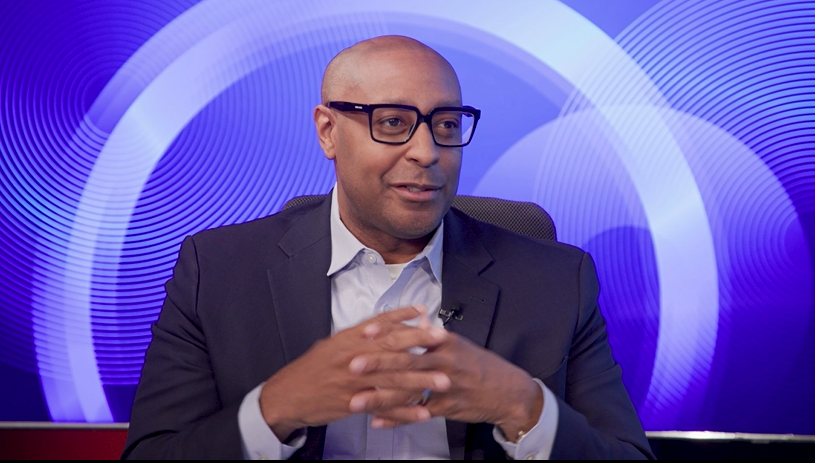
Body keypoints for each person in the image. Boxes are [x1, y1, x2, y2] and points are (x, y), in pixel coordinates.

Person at [122, 35, 654, 460]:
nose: (427, 151)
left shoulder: (557, 280)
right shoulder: (217, 270)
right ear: (328, 132)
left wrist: (523, 406)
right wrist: (275, 408)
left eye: (446, 124)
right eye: (394, 122)